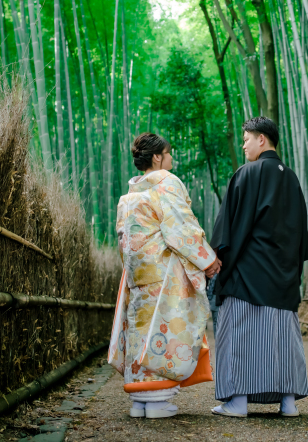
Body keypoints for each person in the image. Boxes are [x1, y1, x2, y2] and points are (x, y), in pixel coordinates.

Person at [108, 132, 222, 419]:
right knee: (163, 332)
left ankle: (140, 401)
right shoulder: (167, 183)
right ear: (157, 157)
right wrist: (208, 260)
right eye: (168, 153)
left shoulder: (130, 194)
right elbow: (181, 227)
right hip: (162, 273)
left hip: (137, 276)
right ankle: (157, 401)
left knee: (139, 332)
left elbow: (125, 240)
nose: (171, 158)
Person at [210, 117, 308, 418]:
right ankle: (288, 403)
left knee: (240, 334)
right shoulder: (291, 178)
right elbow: (299, 237)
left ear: (262, 140)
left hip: (248, 275)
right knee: (282, 337)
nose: (243, 145)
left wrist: (217, 262)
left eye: (246, 139)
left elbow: (228, 227)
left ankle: (238, 402)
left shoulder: (247, 173)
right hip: (283, 277)